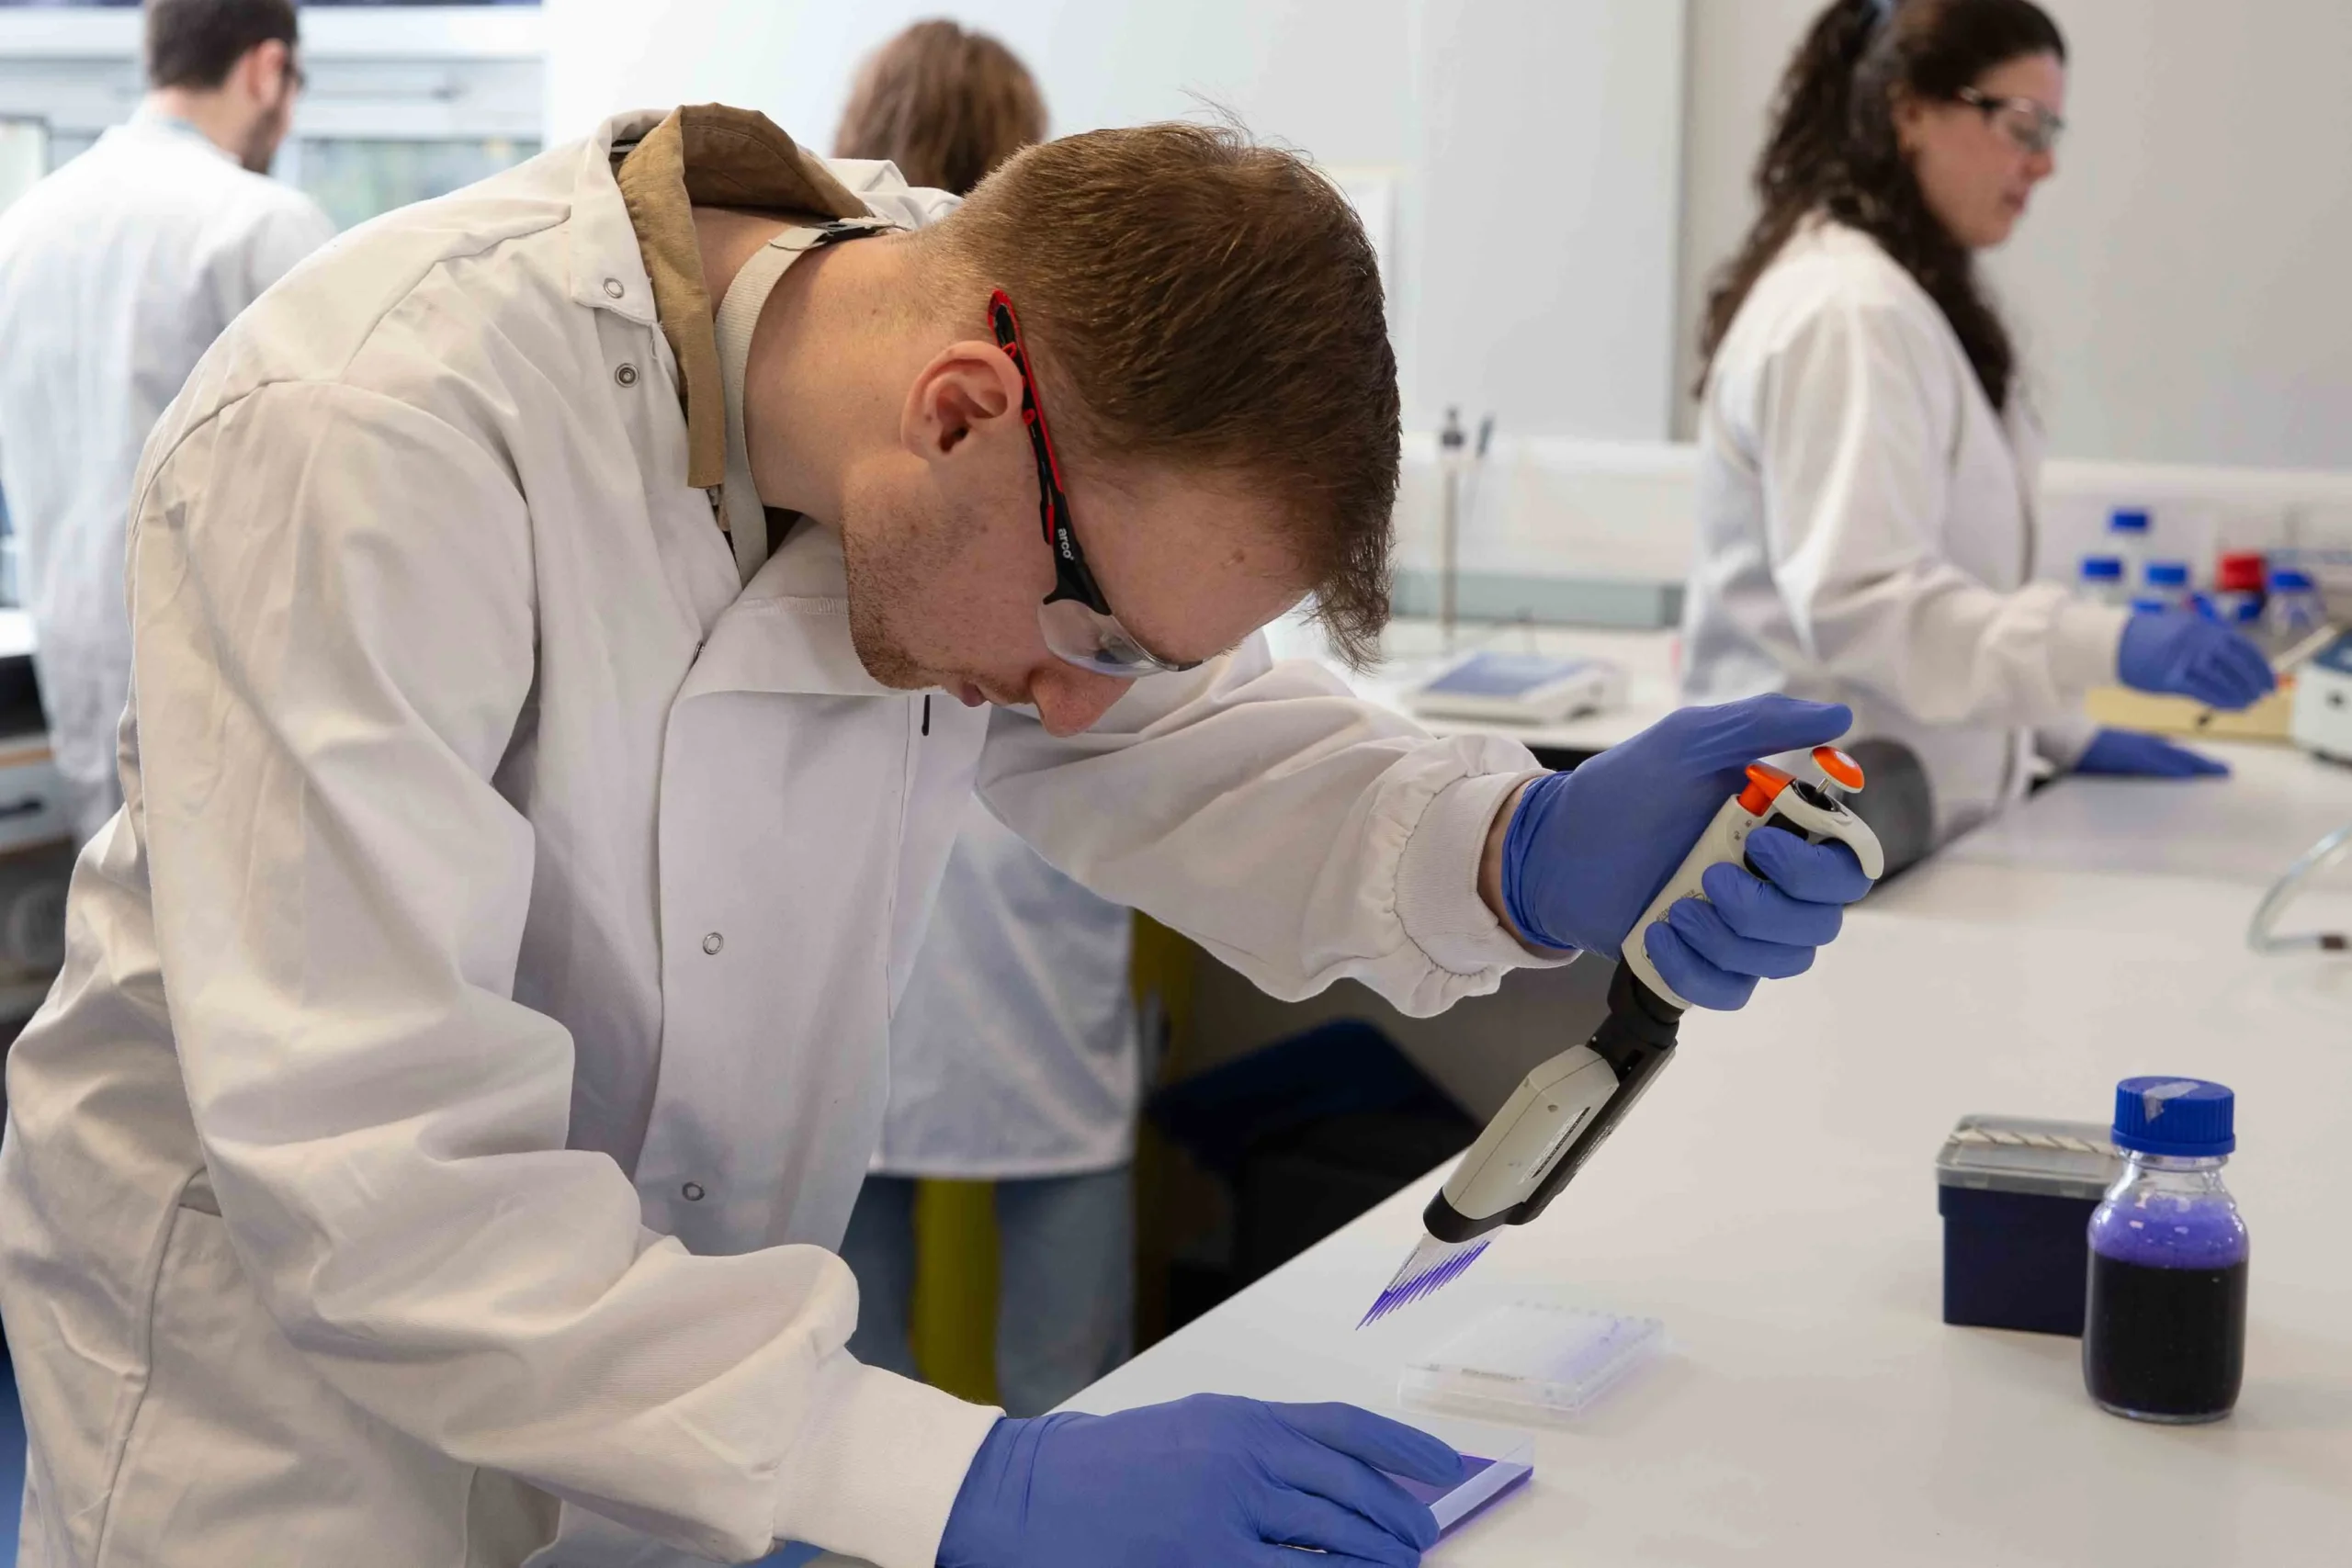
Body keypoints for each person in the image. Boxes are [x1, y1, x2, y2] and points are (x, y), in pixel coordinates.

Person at [0, 102, 1871, 1568]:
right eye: (1093, 627)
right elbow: (379, 1184)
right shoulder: (377, 433)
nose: (1084, 694)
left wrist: (1512, 845)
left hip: (660, 1438)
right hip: (302, 1454)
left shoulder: (941, 379)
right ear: (965, 408)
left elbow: (1190, 726)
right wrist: (973, 1482)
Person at [1681, 0, 2274, 862]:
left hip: (1889, 831)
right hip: (1806, 842)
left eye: (2053, 131)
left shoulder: (1906, 301)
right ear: (1909, 110)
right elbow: (1866, 609)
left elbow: (1945, 586)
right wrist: (2104, 644)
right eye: (2021, 123)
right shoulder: (1849, 311)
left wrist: (2061, 732)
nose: (2042, 164)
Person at [824, 19, 1132, 1419]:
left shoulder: (843, 414)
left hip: (871, 950)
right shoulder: (1065, 401)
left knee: (843, 1367)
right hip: (1021, 929)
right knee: (1061, 1377)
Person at [0, 0, 334, 846]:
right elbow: (341, 484)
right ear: (267, 69)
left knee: (123, 955)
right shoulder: (260, 222)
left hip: (83, 683)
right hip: (236, 703)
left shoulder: (25, 227)